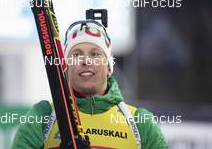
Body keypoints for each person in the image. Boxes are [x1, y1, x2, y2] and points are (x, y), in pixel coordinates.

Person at [12, 20, 168, 149]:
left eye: (95, 54)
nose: (86, 61)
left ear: (109, 67)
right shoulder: (43, 116)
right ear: (66, 68)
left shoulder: (140, 122)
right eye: (76, 54)